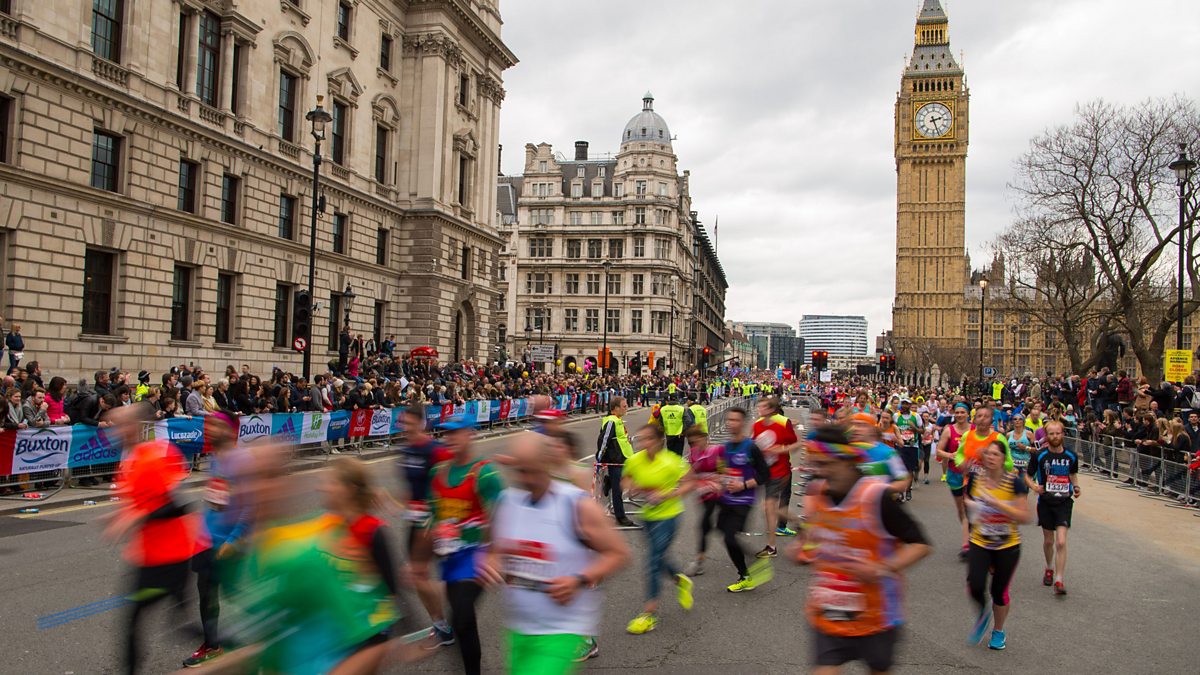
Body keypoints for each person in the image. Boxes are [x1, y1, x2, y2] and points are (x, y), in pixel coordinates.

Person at [482, 432, 629, 674]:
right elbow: (493, 549)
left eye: (531, 470)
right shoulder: (507, 502)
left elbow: (619, 553)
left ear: (547, 464)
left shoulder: (575, 505)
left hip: (560, 630)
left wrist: (579, 579)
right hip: (519, 629)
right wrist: (493, 561)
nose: (525, 479)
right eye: (519, 471)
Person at [795, 425, 932, 674]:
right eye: (816, 465)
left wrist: (881, 568)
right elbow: (812, 539)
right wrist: (802, 549)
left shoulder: (876, 496)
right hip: (828, 613)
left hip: (876, 617)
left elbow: (921, 544)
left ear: (847, 461)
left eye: (826, 464)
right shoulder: (818, 492)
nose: (820, 473)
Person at [103, 403, 202, 675]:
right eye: (112, 425)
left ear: (136, 426)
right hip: (149, 556)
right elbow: (140, 503)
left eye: (120, 424)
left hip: (172, 559)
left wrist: (137, 518)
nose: (115, 431)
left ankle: (228, 645)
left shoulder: (160, 454)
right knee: (174, 620)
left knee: (139, 619)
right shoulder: (128, 461)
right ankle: (221, 643)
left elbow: (182, 504)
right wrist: (120, 517)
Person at [429, 416, 503, 675]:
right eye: (446, 434)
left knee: (461, 615)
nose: (449, 439)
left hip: (476, 557)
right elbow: (433, 516)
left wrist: (493, 553)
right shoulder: (437, 473)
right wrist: (419, 557)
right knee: (461, 622)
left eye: (456, 433)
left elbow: (502, 513)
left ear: (470, 435)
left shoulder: (485, 472)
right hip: (450, 558)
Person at [621, 423, 695, 635]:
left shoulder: (672, 461)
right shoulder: (635, 460)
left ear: (659, 441)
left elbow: (691, 482)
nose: (643, 444)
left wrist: (667, 495)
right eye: (641, 439)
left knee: (653, 561)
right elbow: (625, 480)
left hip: (669, 516)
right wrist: (633, 487)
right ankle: (680, 580)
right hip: (649, 516)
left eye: (648, 439)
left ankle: (649, 614)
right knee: (659, 557)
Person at [396, 405, 456, 648]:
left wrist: (437, 514)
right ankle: (441, 624)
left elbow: (450, 483)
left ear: (421, 424)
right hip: (416, 520)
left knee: (425, 574)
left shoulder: (436, 451)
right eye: (402, 423)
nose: (405, 428)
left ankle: (452, 619)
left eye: (409, 423)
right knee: (417, 575)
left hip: (436, 520)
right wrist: (402, 508)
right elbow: (409, 487)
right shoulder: (406, 450)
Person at [964, 440, 1033, 650]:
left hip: (1007, 545)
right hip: (980, 540)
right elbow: (968, 501)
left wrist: (998, 504)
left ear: (1004, 459)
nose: (991, 458)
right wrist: (971, 506)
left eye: (996, 454)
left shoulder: (1015, 483)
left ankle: (998, 631)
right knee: (974, 584)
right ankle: (983, 613)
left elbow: (1025, 516)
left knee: (999, 592)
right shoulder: (976, 478)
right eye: (988, 454)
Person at [714, 407, 772, 592]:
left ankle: (746, 575)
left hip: (743, 500)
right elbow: (723, 471)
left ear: (744, 423)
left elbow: (765, 474)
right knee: (723, 532)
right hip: (726, 498)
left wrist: (743, 485)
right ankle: (752, 564)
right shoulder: (725, 447)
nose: (731, 423)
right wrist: (719, 480)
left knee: (730, 537)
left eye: (736, 420)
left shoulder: (751, 447)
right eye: (729, 420)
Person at [1025, 420, 1079, 595]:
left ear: (1063, 434)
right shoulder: (1040, 455)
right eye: (1051, 434)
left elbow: (1072, 474)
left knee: (1061, 541)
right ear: (1046, 436)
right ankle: (1049, 568)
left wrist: (1076, 487)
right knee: (1049, 541)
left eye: (1058, 433)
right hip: (1046, 502)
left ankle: (1059, 580)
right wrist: (1034, 487)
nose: (1055, 437)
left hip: (1064, 502)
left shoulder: (1071, 456)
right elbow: (1027, 476)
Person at [753, 396, 800, 559]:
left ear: (772, 409)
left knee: (768, 507)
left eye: (763, 406)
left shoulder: (783, 423)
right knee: (770, 508)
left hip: (781, 470)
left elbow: (796, 444)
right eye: (759, 406)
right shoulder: (757, 424)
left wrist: (780, 450)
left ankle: (771, 547)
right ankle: (799, 523)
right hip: (764, 471)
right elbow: (754, 446)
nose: (760, 409)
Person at [934, 403, 973, 560]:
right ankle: (967, 534)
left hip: (972, 475)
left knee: (969, 505)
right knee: (961, 509)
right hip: (955, 473)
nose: (959, 415)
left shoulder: (974, 430)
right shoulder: (948, 430)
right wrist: (950, 456)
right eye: (957, 412)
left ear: (968, 414)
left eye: (962, 412)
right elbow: (938, 450)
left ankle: (968, 543)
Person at [683, 425, 720, 577]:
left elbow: (724, 471)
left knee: (705, 524)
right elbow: (691, 473)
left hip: (719, 493)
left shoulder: (716, 451)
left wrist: (715, 479)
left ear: (705, 438)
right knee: (708, 525)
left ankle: (699, 560)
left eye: (696, 441)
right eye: (691, 443)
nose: (694, 445)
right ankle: (700, 559)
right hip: (703, 495)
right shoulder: (693, 453)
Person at [596, 397, 637, 527]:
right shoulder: (610, 421)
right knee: (618, 489)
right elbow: (604, 440)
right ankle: (620, 516)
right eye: (624, 406)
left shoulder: (618, 420)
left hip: (624, 458)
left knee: (626, 481)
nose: (627, 408)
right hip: (615, 460)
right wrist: (599, 459)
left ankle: (609, 482)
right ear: (615, 408)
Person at [893, 399, 922, 501]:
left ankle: (908, 489)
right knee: (900, 469)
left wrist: (914, 428)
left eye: (907, 404)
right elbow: (893, 429)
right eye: (903, 404)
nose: (905, 406)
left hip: (912, 446)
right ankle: (901, 492)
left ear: (910, 405)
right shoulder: (896, 416)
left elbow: (922, 430)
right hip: (900, 446)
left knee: (910, 470)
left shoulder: (916, 416)